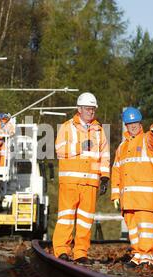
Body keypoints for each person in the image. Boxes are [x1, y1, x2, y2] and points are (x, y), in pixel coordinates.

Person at [52, 92, 110, 264]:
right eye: (87, 109)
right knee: (66, 216)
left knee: (85, 220)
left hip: (91, 182)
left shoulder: (99, 131)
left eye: (93, 109)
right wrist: (80, 146)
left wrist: (105, 177)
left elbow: (105, 155)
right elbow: (59, 150)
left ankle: (80, 253)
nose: (91, 112)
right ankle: (62, 250)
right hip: (70, 181)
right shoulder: (67, 127)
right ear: (79, 109)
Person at [111, 106, 153, 267]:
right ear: (126, 125)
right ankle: (137, 254)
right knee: (133, 229)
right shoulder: (122, 147)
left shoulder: (147, 139)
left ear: (140, 123)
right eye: (129, 123)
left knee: (145, 227)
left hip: (144, 198)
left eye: (135, 123)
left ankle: (147, 257)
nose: (133, 126)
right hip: (128, 198)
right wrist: (115, 195)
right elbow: (116, 171)